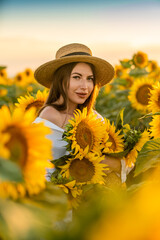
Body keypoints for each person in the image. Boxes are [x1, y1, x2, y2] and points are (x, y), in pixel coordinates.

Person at [33, 43, 122, 181]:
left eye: (89, 79)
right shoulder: (50, 116)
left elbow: (120, 164)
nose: (84, 87)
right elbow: (40, 172)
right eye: (76, 77)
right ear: (61, 79)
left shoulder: (94, 118)